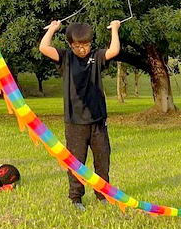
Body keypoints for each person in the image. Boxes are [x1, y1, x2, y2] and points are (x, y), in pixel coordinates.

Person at [39, 19, 121, 212]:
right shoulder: (66, 58)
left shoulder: (96, 57)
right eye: (77, 46)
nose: (82, 50)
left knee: (102, 159)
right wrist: (52, 29)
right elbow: (43, 47)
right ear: (70, 45)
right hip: (75, 122)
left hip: (98, 120)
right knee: (76, 162)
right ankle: (76, 198)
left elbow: (114, 50)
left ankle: (103, 195)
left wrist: (115, 29)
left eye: (86, 45)